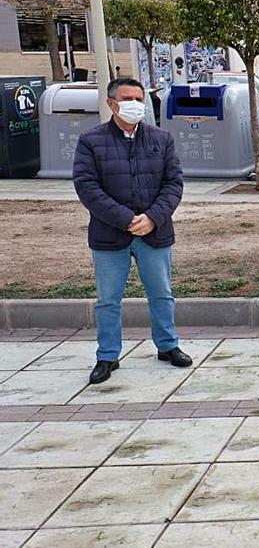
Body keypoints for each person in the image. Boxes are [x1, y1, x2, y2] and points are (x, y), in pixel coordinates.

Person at [73, 78, 190, 384]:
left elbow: (173, 183)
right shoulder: (91, 141)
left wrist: (153, 217)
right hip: (110, 236)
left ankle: (168, 346)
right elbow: (87, 187)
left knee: (162, 294)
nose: (135, 104)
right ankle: (107, 356)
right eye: (127, 98)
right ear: (111, 103)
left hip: (155, 233)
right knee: (108, 300)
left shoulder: (160, 139)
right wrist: (125, 219)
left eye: (139, 98)